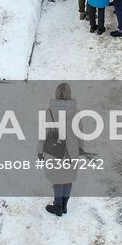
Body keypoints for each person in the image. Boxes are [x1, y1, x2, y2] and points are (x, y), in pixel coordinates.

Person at [39, 82, 79, 216]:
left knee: (57, 178)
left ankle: (57, 205)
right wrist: (81, 148)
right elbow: (81, 134)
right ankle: (64, 205)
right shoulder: (76, 113)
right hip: (71, 151)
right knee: (68, 177)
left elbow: (43, 134)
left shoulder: (49, 112)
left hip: (54, 151)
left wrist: (40, 151)